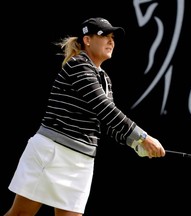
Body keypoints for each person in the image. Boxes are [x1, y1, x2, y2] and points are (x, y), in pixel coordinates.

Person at [4, 17, 166, 216]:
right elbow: (104, 108)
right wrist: (143, 137)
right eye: (104, 35)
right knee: (21, 214)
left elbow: (106, 123)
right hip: (51, 153)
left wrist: (135, 144)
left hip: (81, 162)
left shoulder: (105, 78)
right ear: (87, 40)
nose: (111, 41)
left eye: (112, 37)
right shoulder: (78, 65)